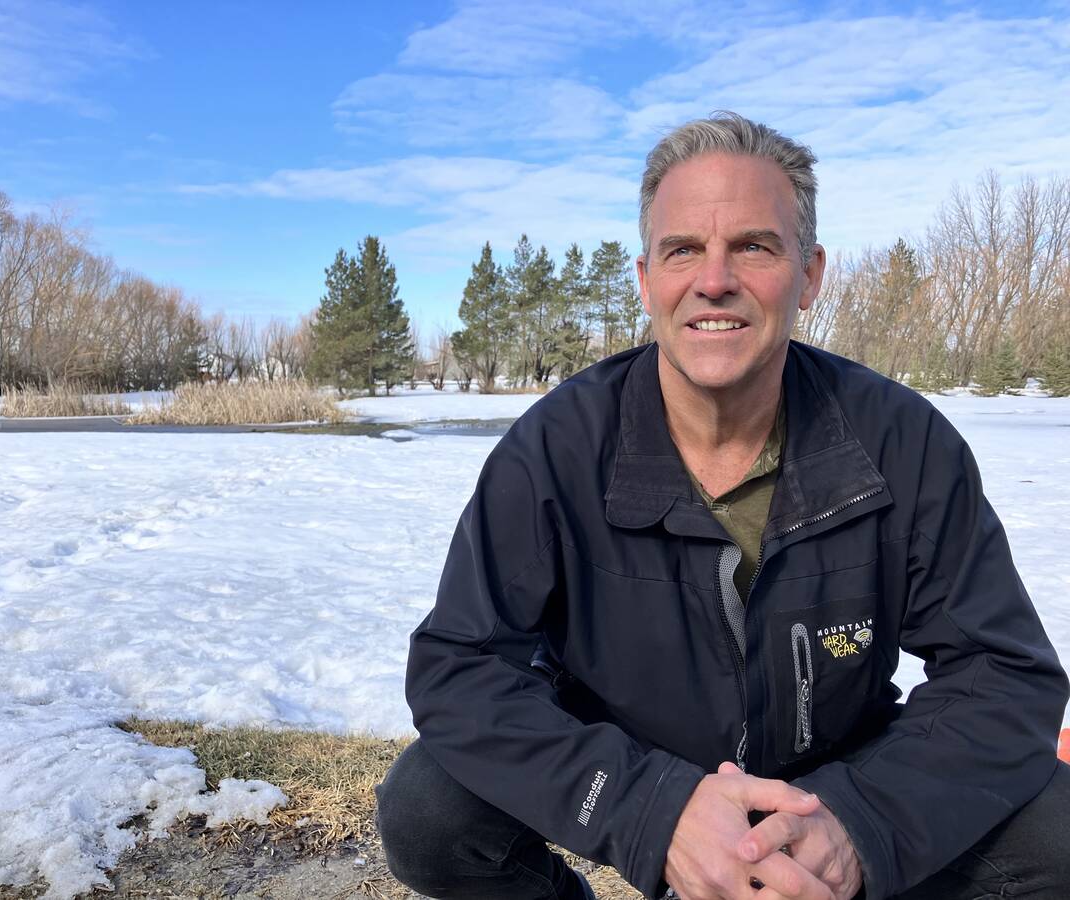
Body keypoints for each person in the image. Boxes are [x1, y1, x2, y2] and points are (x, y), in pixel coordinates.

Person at [375, 112, 1070, 900]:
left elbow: (1004, 674)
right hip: (635, 767)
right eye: (683, 250)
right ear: (646, 280)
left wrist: (858, 822)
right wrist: (653, 810)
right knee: (430, 810)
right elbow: (460, 667)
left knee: (1057, 832)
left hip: (832, 779)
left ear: (809, 274)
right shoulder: (555, 451)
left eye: (753, 246)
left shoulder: (904, 443)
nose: (714, 280)